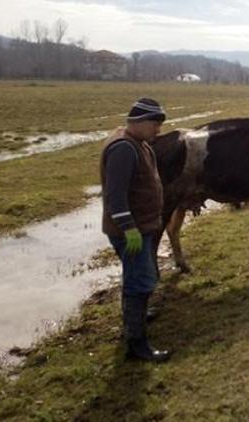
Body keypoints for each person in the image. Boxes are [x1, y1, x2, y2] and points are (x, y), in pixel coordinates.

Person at [101, 98, 170, 362]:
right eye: (155, 125)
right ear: (139, 123)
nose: (158, 131)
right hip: (132, 231)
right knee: (139, 281)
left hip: (141, 226)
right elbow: (115, 196)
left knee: (138, 275)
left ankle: (136, 317)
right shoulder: (123, 149)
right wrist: (129, 228)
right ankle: (137, 345)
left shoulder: (138, 144)